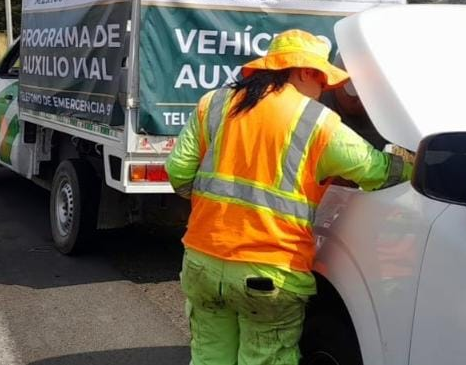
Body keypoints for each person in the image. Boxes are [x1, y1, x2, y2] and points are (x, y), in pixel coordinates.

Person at [165, 29, 411, 365]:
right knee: (265, 357)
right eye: (322, 81)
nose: (323, 91)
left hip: (202, 263)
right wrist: (415, 165)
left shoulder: (215, 103)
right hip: (271, 272)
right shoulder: (316, 122)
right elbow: (375, 169)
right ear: (304, 71)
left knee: (210, 356)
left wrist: (208, 207)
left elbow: (178, 172)